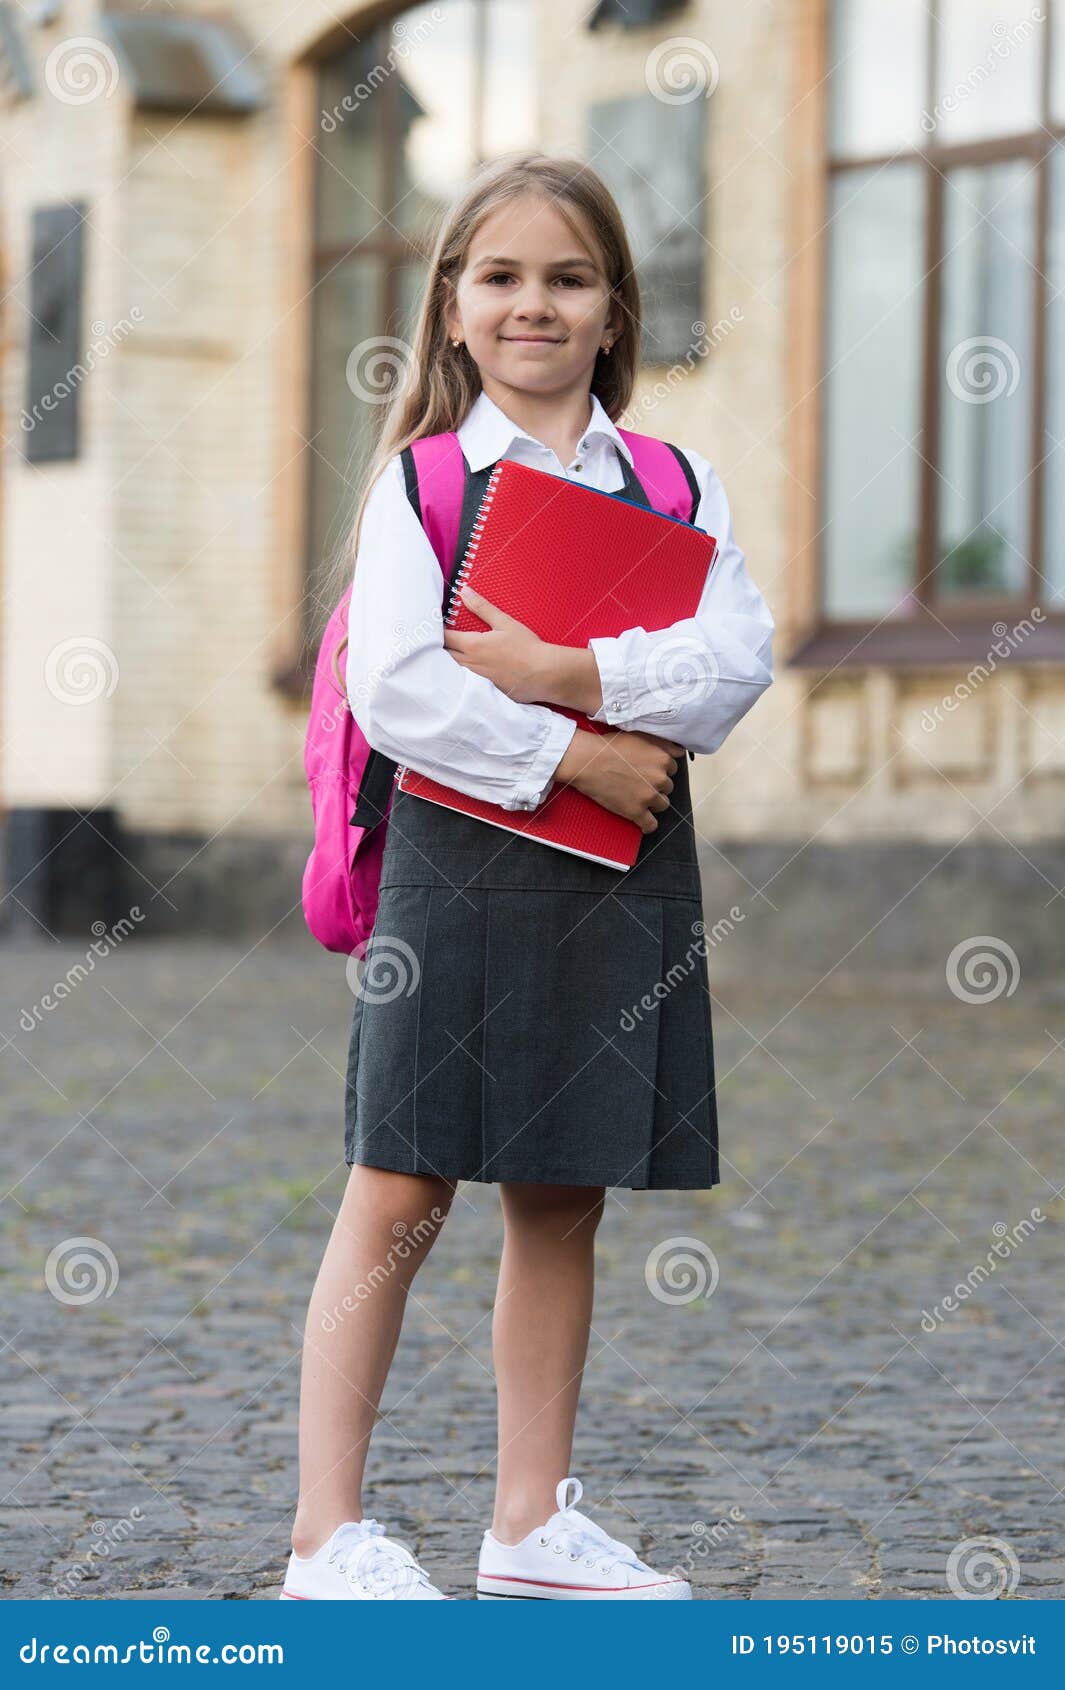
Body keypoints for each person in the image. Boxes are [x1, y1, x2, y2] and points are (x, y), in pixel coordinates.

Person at [281, 152, 774, 1602]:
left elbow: (731, 659)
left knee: (565, 1192)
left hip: (616, 876)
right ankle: (324, 1530)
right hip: (459, 861)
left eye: (567, 278)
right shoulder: (424, 489)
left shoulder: (675, 484)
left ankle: (527, 1524)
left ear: (615, 312)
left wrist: (570, 668)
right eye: (499, 276)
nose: (533, 304)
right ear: (450, 309)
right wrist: (578, 752)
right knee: (398, 1181)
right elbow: (397, 688)